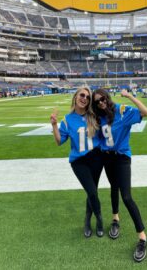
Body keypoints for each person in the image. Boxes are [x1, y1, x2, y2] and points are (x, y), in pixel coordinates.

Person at [92, 88, 147, 262]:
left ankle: (142, 237)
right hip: (106, 158)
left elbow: (146, 112)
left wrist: (129, 96)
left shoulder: (121, 110)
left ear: (107, 97)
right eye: (97, 102)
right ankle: (115, 219)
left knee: (126, 196)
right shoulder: (98, 117)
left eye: (102, 99)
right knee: (113, 188)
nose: (101, 103)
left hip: (122, 157)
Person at [50, 87, 104, 238]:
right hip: (79, 161)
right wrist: (54, 125)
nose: (84, 98)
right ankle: (98, 218)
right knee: (92, 192)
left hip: (96, 158)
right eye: (82, 95)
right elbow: (60, 142)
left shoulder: (93, 116)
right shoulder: (67, 120)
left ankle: (87, 220)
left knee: (92, 191)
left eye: (87, 97)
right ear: (75, 97)